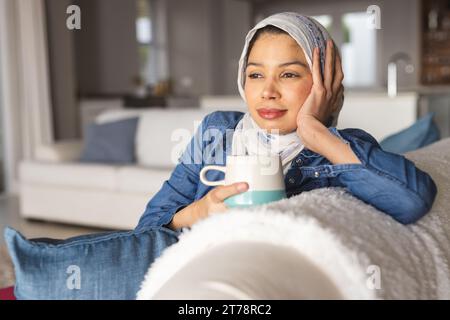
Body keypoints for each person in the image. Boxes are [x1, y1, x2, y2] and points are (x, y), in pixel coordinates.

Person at [136, 12, 437, 231]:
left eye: (289, 74)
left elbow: (411, 200)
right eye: (255, 75)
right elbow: (147, 227)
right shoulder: (217, 130)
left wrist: (314, 132)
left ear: (326, 81)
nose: (267, 92)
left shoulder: (339, 148)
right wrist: (199, 212)